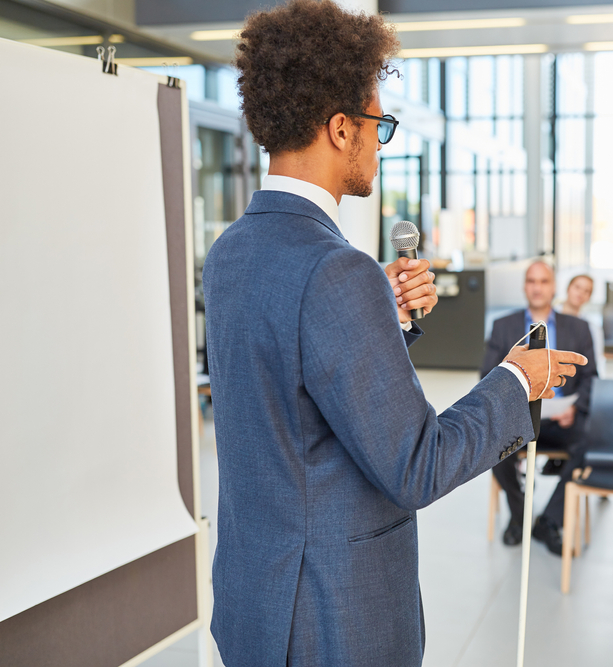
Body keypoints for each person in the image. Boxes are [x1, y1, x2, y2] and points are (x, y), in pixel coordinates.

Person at [202, 4, 587, 665]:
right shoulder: (335, 269)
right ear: (341, 128)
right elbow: (416, 464)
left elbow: (294, 388)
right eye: (379, 124)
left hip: (256, 600)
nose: (382, 140)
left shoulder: (232, 250)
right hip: (332, 617)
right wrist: (519, 377)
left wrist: (388, 316)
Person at [481, 261, 598, 555]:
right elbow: (487, 377)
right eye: (531, 281)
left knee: (589, 444)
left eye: (544, 281)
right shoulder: (503, 326)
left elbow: (591, 378)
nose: (537, 287)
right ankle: (520, 515)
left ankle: (549, 520)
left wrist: (577, 407)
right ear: (524, 286)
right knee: (493, 445)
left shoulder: (579, 328)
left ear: (554, 287)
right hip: (518, 419)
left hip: (562, 421)